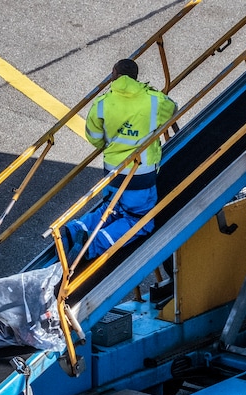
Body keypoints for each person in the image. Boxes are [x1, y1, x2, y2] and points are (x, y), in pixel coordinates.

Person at [63, 59, 176, 261]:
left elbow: (94, 138)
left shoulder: (102, 103)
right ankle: (91, 246)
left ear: (113, 74)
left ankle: (75, 229)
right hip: (140, 174)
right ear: (135, 76)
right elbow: (173, 110)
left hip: (113, 171)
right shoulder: (154, 101)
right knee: (138, 219)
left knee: (112, 208)